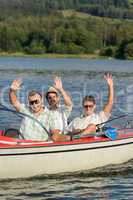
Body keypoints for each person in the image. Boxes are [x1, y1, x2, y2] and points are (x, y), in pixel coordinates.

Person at [46, 76, 73, 142]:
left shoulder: (62, 109)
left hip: (62, 137)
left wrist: (61, 89)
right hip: (50, 138)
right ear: (47, 100)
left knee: (55, 136)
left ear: (58, 98)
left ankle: (75, 139)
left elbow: (69, 104)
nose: (52, 99)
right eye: (50, 98)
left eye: (54, 97)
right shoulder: (45, 111)